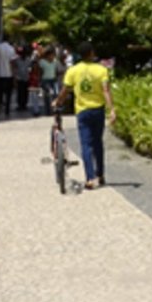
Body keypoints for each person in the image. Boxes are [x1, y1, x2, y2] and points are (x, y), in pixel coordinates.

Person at [53, 41, 116, 190]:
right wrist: (111, 109)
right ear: (92, 53)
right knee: (98, 143)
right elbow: (106, 90)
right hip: (98, 110)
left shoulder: (73, 71)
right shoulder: (101, 70)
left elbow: (65, 90)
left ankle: (90, 178)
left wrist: (58, 101)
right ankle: (100, 174)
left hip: (82, 111)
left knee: (86, 145)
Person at [0, 37, 17, 118]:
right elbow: (12, 62)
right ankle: (7, 109)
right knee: (9, 93)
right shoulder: (11, 49)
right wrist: (14, 75)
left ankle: (0, 106)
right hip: (9, 74)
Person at [36, 47, 60, 111]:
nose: (52, 56)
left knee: (56, 93)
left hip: (53, 80)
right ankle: (48, 109)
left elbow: (56, 71)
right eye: (51, 55)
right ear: (47, 55)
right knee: (49, 93)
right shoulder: (42, 62)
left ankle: (55, 107)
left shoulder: (55, 62)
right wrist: (39, 81)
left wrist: (56, 77)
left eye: (53, 55)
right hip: (45, 81)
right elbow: (39, 72)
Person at [13, 46, 32, 113]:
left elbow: (30, 68)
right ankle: (20, 105)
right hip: (19, 78)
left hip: (26, 78)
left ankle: (24, 105)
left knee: (25, 92)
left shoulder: (29, 60)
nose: (23, 54)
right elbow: (14, 69)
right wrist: (15, 79)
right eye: (21, 53)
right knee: (19, 92)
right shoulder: (16, 60)